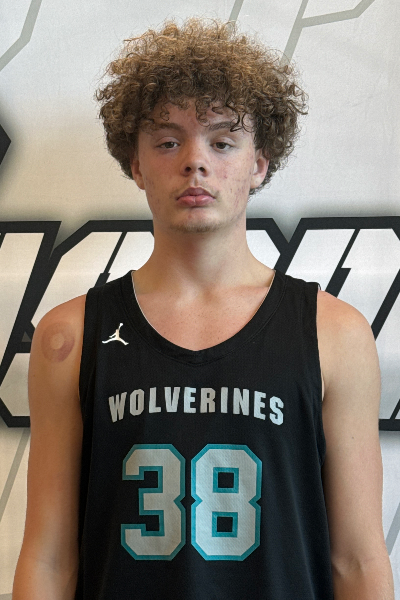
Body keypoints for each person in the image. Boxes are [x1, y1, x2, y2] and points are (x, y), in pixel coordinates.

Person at [12, 17, 394, 600]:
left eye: (221, 141)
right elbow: (48, 558)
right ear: (135, 164)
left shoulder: (334, 332)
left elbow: (358, 560)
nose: (195, 162)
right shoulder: (71, 334)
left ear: (259, 163)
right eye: (168, 142)